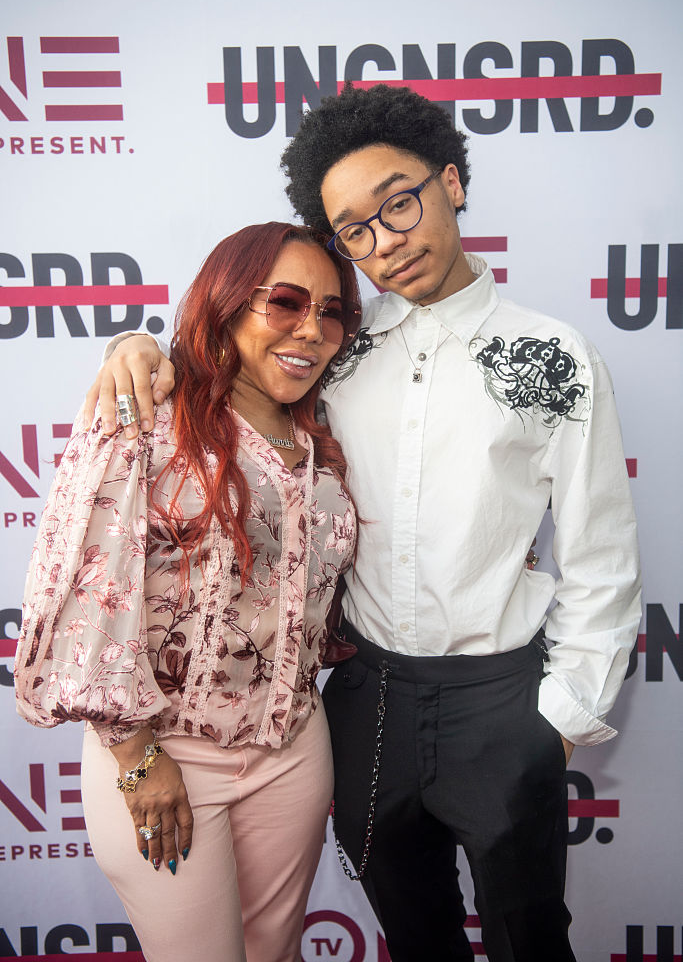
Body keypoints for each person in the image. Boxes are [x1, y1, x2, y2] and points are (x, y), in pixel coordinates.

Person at [80, 84, 641, 962]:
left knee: (530, 938)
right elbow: (228, 369)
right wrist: (137, 346)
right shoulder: (337, 352)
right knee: (412, 935)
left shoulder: (551, 357)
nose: (386, 242)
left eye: (399, 203)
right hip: (364, 698)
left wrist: (559, 719)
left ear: (452, 182)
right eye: (355, 230)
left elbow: (600, 555)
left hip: (502, 699)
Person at [14, 221, 363, 962]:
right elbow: (90, 597)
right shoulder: (144, 420)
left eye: (332, 312)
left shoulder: (326, 438)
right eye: (286, 303)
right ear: (227, 306)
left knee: (272, 953)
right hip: (161, 755)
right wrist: (138, 759)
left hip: (294, 751)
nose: (312, 328)